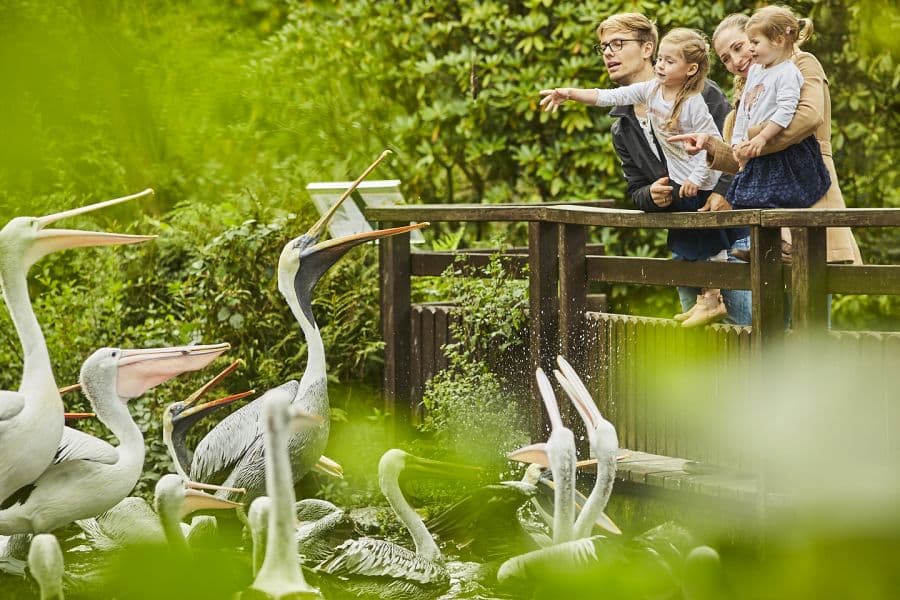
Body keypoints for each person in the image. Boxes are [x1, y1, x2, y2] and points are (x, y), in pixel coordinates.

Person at [540, 22, 750, 327]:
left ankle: (713, 296)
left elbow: (730, 147)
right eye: (604, 47)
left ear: (647, 49)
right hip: (685, 233)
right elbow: (636, 187)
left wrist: (722, 193)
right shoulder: (622, 125)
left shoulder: (700, 93)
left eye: (618, 44)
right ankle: (707, 299)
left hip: (731, 233)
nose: (608, 53)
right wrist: (651, 195)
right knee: (705, 348)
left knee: (746, 333)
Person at [670, 11, 862, 265]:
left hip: (808, 184)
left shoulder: (800, 63)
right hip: (771, 206)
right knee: (775, 297)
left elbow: (808, 117)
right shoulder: (744, 101)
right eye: (726, 58)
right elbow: (744, 161)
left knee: (813, 284)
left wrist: (754, 136)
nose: (737, 61)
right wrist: (711, 145)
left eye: (740, 47)